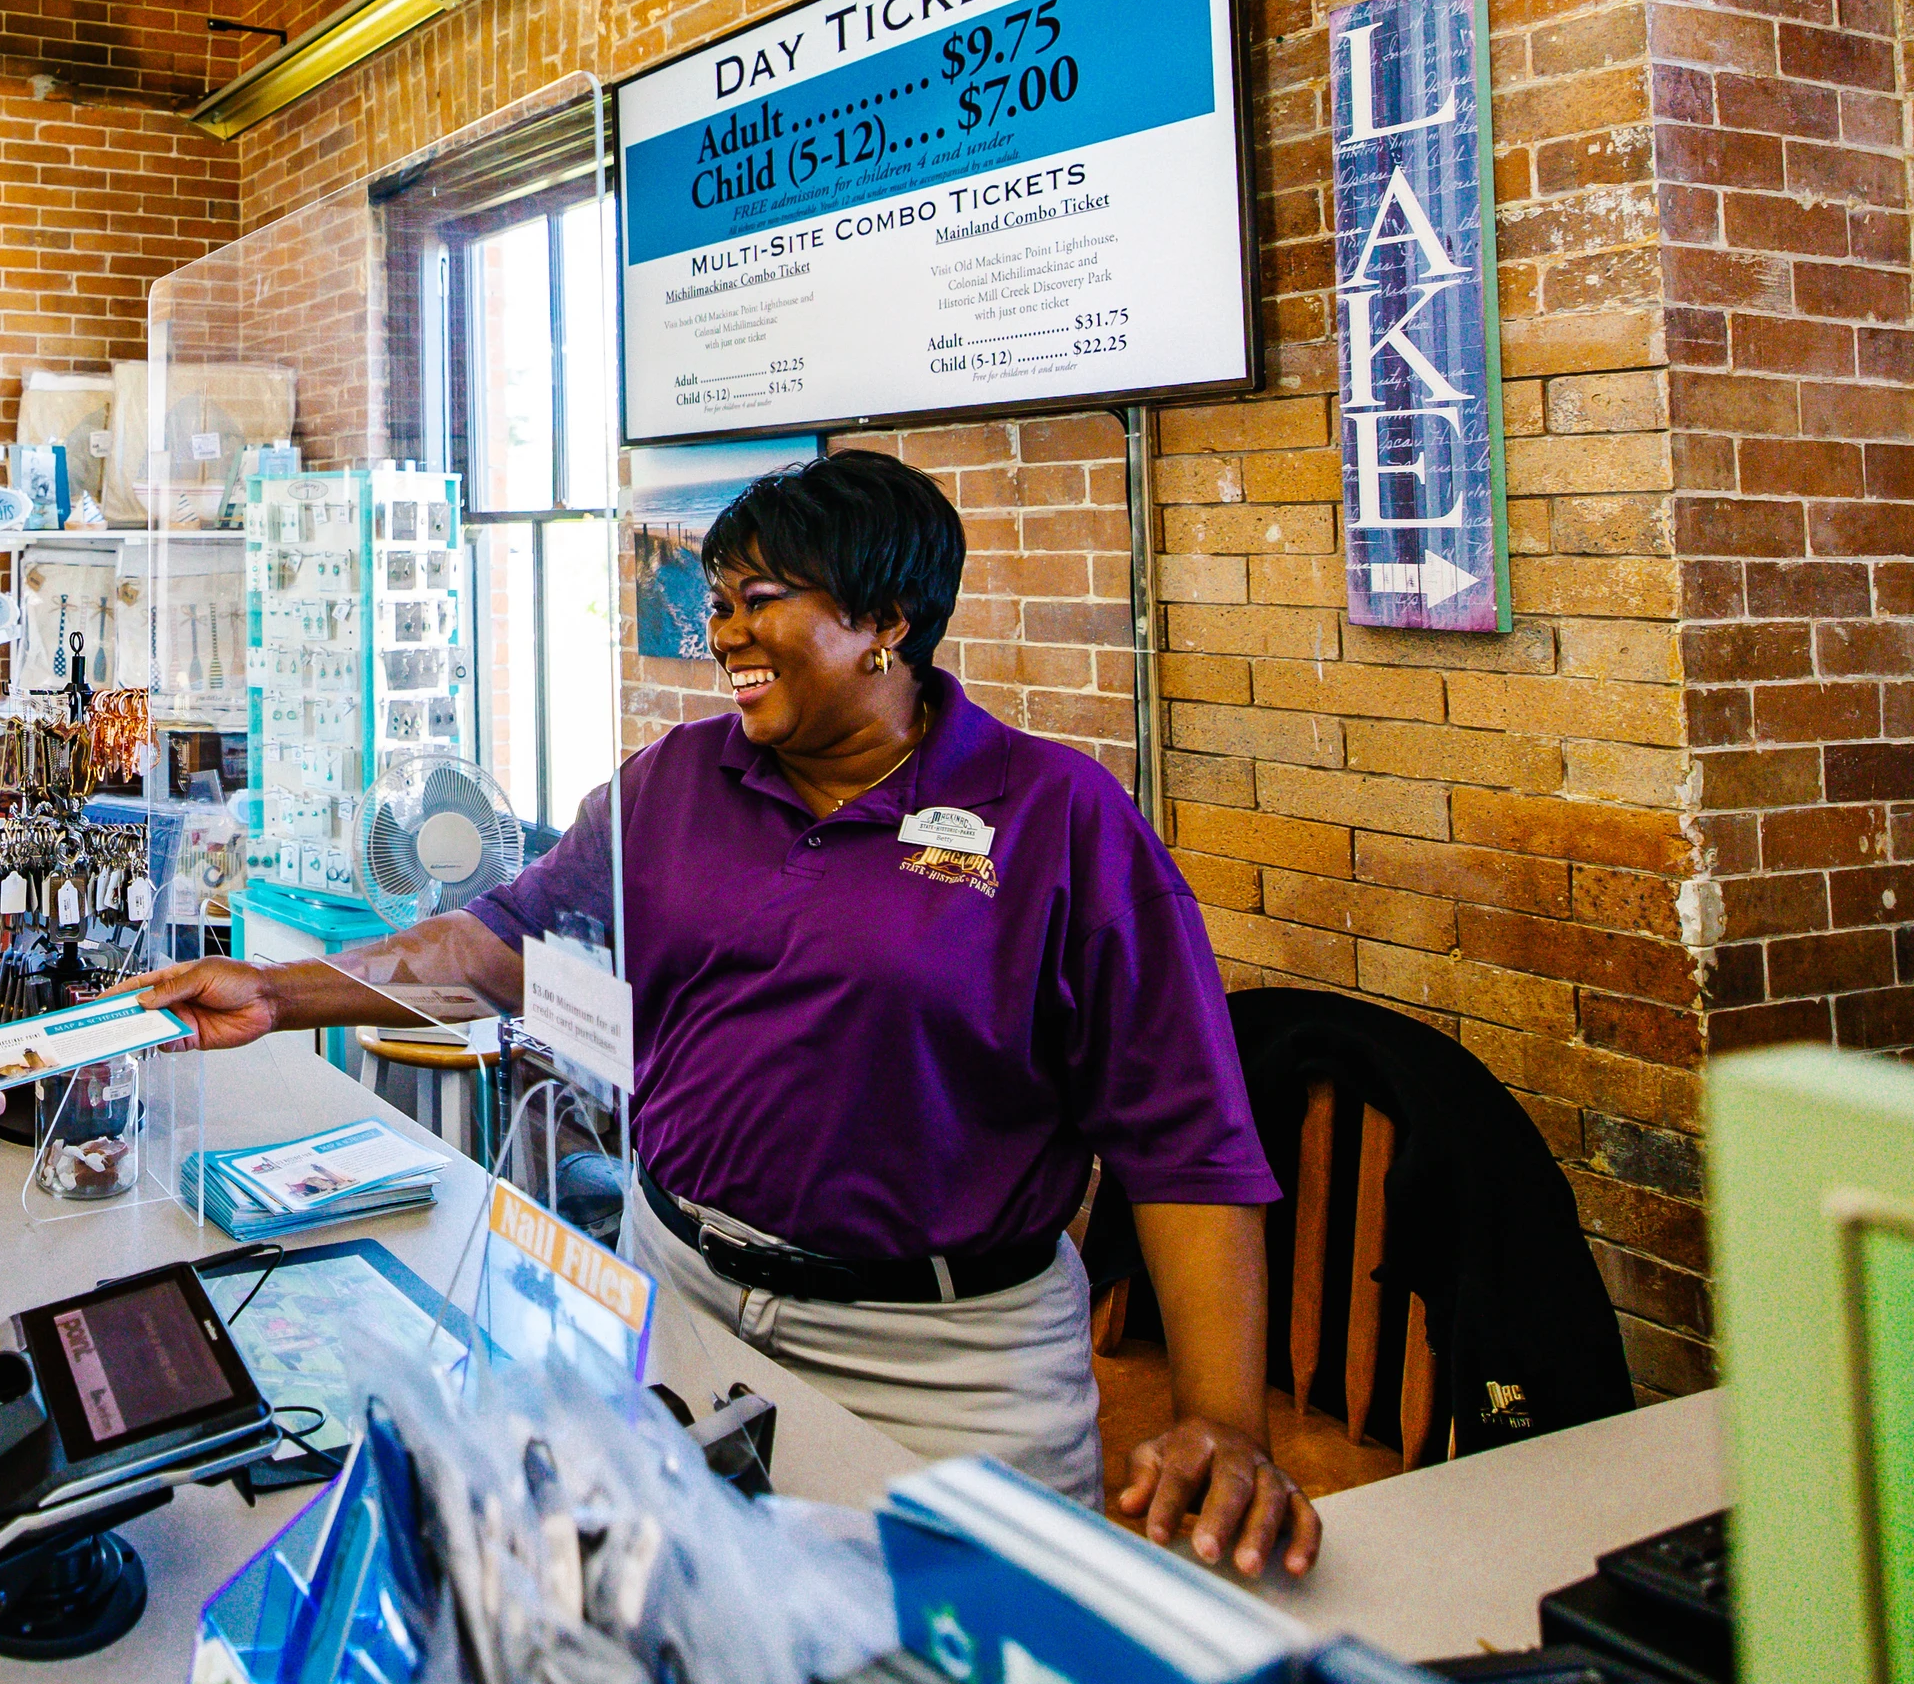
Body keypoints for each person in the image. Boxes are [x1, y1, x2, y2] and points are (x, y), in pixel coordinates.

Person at [138, 452, 1320, 1577]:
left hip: (945, 1365)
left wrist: (1222, 1418)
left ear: (886, 621)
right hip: (680, 1292)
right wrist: (282, 992)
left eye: (762, 599)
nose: (726, 634)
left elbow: (1187, 1142)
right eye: (718, 601)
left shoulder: (1057, 817)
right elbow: (491, 950)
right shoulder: (670, 785)